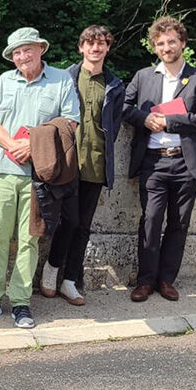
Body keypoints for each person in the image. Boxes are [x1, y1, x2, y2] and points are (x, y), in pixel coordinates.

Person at [0, 28, 79, 329]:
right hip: (4, 171)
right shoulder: (5, 81)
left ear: (40, 49)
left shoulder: (60, 80)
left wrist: (32, 145)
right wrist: (12, 145)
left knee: (30, 239)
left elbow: (71, 122)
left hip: (40, 174)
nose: (22, 56)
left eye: (27, 50)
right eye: (16, 53)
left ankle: (20, 301)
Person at [122, 17, 196, 302]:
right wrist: (145, 118)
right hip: (153, 162)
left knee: (179, 223)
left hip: (186, 163)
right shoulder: (143, 76)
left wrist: (169, 122)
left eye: (172, 41)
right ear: (155, 47)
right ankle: (145, 280)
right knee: (150, 221)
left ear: (183, 43)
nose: (166, 47)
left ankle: (166, 280)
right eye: (161, 43)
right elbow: (125, 109)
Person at [40, 26, 124, 305]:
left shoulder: (115, 84)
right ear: (81, 48)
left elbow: (114, 125)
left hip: (96, 163)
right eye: (90, 43)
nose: (95, 48)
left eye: (101, 44)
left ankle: (70, 281)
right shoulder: (65, 78)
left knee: (84, 225)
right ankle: (51, 271)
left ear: (107, 48)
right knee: (68, 221)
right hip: (67, 162)